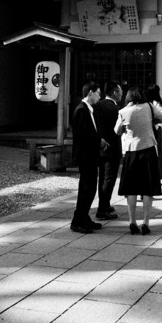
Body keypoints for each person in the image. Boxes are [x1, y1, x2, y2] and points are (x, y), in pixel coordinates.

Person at [115, 85, 162, 235]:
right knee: (147, 188)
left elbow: (116, 131)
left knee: (131, 188)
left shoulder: (123, 111)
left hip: (131, 151)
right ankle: (145, 222)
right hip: (149, 149)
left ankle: (132, 221)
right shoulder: (149, 107)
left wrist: (126, 127)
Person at [70, 81, 104, 234]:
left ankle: (84, 217)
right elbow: (81, 135)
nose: (99, 97)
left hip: (91, 155)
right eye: (98, 93)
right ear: (90, 92)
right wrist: (99, 141)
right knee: (87, 188)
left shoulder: (90, 110)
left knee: (89, 188)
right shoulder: (81, 110)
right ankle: (78, 220)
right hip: (86, 156)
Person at [95, 81, 123, 221]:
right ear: (114, 93)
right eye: (120, 91)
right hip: (112, 147)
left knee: (102, 178)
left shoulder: (98, 105)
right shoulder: (115, 109)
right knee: (109, 179)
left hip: (100, 146)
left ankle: (104, 204)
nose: (121, 94)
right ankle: (102, 209)